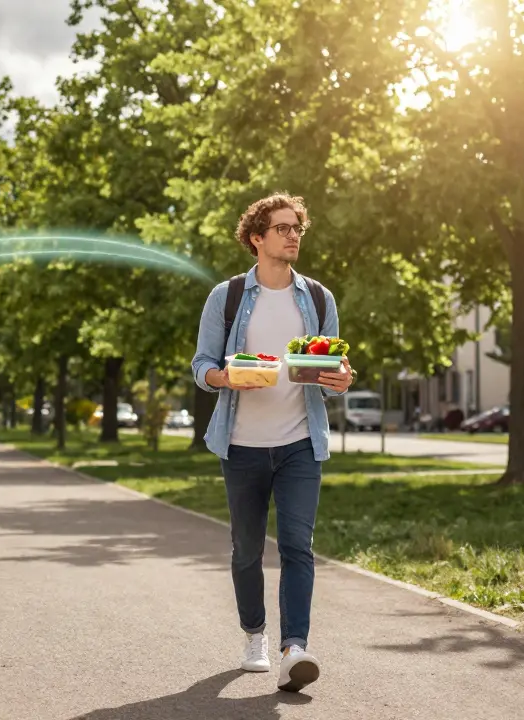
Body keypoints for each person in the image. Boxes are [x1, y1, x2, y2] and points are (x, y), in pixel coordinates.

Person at [191, 193, 354, 693]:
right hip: (242, 444)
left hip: (300, 441)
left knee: (298, 546)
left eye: (297, 227)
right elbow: (202, 365)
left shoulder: (319, 298)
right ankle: (254, 635)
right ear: (257, 238)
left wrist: (340, 378)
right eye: (282, 228)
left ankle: (294, 649)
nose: (293, 235)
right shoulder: (227, 296)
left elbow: (331, 369)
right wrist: (225, 377)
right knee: (246, 549)